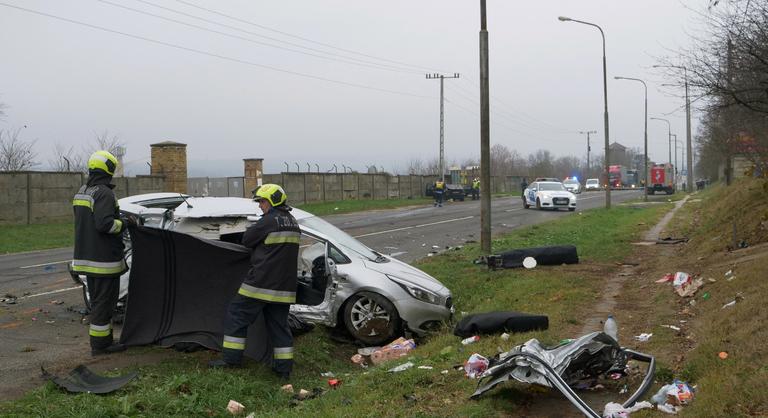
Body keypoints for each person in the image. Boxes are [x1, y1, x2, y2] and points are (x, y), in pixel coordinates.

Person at [209, 184, 301, 380]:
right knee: (279, 326)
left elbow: (247, 240)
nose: (260, 205)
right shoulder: (293, 222)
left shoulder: (268, 221)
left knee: (236, 315)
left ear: (272, 201)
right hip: (284, 288)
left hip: (260, 284)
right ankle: (284, 370)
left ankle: (231, 360)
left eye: (262, 201)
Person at [72, 150, 132, 356]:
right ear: (109, 169)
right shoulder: (104, 193)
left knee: (98, 302)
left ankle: (103, 341)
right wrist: (124, 223)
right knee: (104, 304)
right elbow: (105, 224)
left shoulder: (83, 191)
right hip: (104, 260)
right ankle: (101, 345)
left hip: (86, 258)